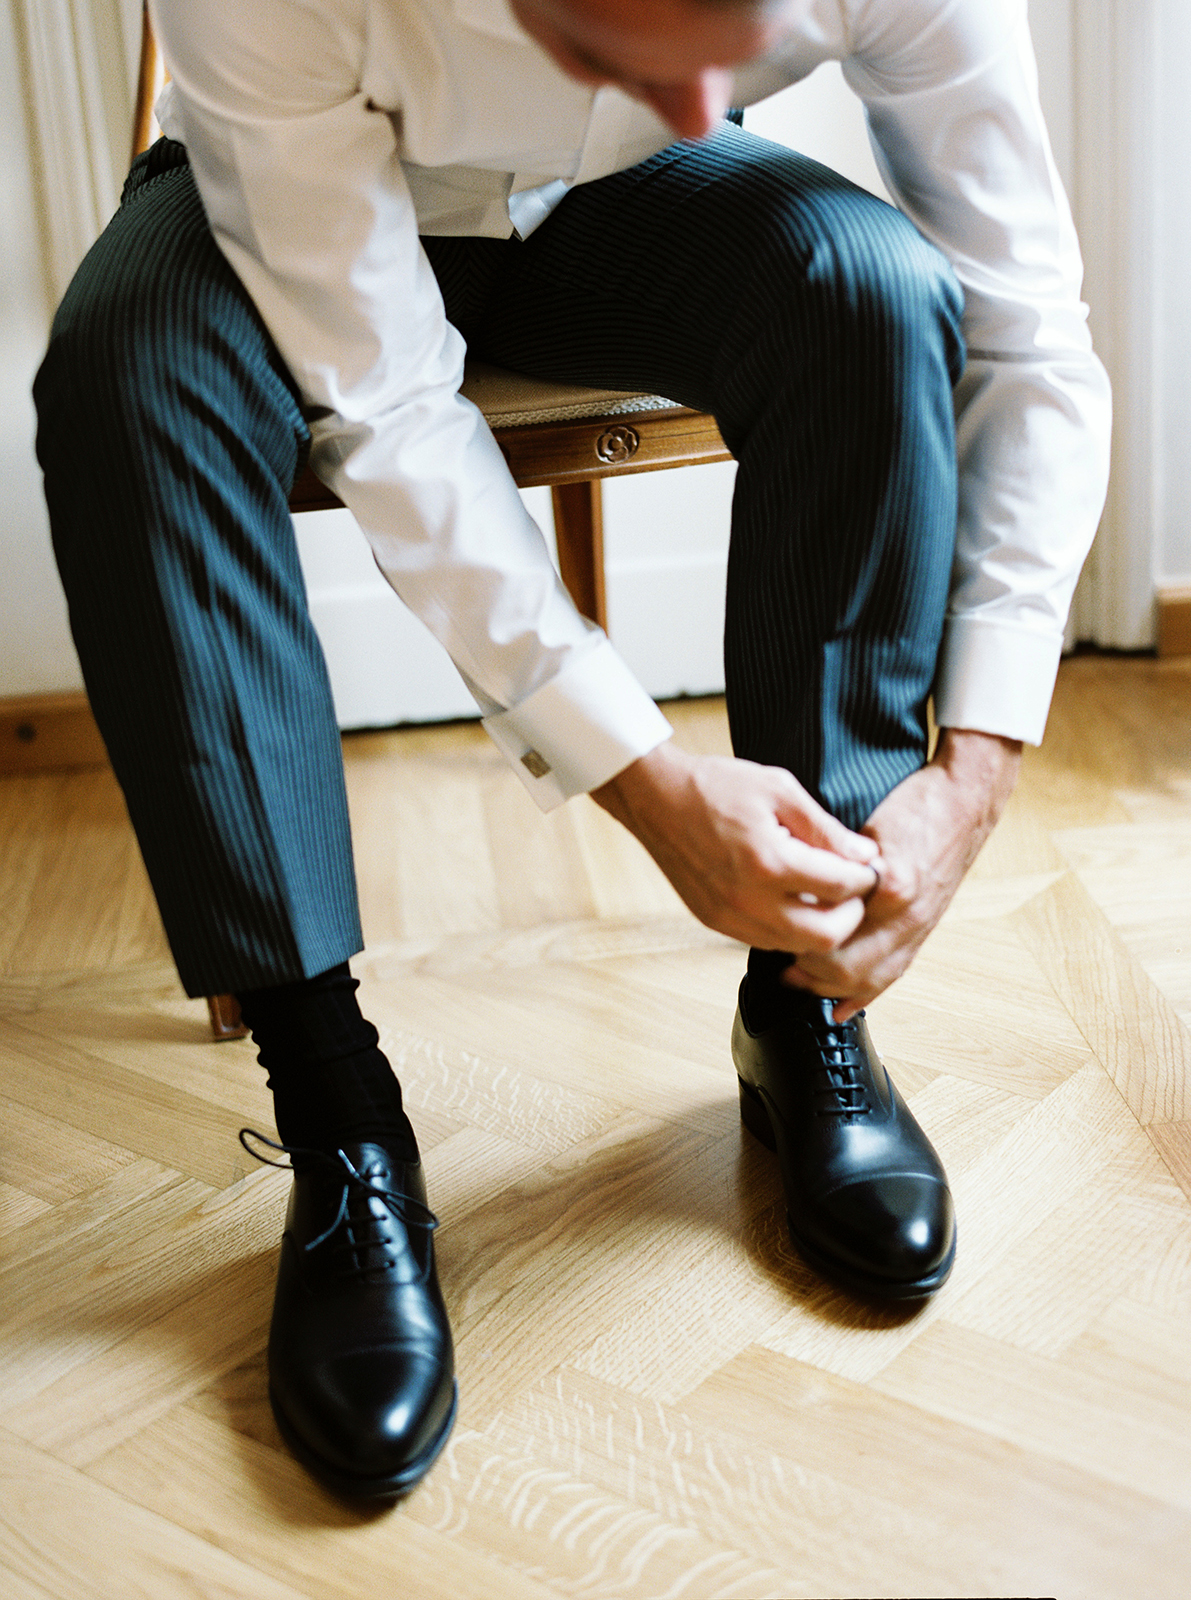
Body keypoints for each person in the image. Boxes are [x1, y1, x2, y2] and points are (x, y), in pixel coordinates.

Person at [34, 0, 1110, 1499]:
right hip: (284, 192)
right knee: (124, 381)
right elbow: (391, 403)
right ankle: (338, 1113)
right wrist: (645, 781)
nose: (692, 104)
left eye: (733, 52)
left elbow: (1026, 323)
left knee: (872, 286)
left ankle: (813, 998)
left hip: (617, 226)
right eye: (626, 54)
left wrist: (978, 771)